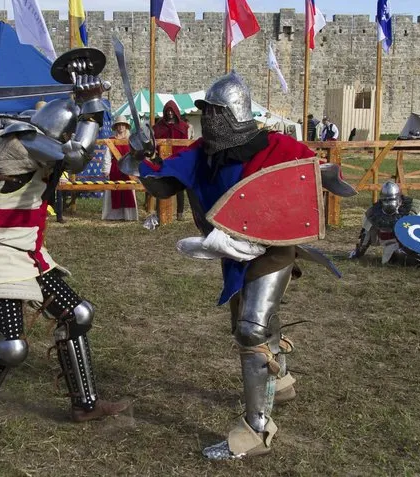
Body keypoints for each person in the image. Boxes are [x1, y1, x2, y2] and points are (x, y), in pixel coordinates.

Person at [119, 72, 356, 460]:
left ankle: (256, 430)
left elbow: (308, 176)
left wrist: (328, 177)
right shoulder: (203, 152)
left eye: (213, 112)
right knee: (249, 323)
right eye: (205, 113)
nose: (207, 119)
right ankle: (279, 383)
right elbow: (163, 184)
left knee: (250, 330)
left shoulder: (276, 146)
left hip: (273, 248)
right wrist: (143, 155)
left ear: (232, 113)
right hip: (231, 251)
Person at [0, 56, 130, 441]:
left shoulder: (37, 141)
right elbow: (78, 158)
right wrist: (92, 111)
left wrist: (92, 107)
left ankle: (85, 405)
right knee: (12, 347)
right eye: (63, 138)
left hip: (27, 252)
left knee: (78, 313)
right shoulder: (18, 142)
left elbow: (75, 157)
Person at [153, 100, 190, 221]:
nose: (170, 113)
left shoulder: (183, 126)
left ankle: (179, 213)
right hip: (163, 160)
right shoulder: (159, 126)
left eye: (171, 110)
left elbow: (185, 144)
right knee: (161, 185)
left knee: (179, 187)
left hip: (178, 160)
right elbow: (155, 142)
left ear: (175, 112)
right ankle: (160, 212)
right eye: (168, 111)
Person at [101, 115, 138, 221]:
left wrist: (135, 170)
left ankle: (128, 216)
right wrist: (106, 170)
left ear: (126, 126)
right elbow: (107, 156)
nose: (121, 127)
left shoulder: (131, 140)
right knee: (114, 191)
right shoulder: (111, 140)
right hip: (115, 169)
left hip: (128, 169)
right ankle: (114, 216)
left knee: (128, 192)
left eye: (123, 125)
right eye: (119, 125)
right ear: (116, 127)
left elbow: (135, 156)